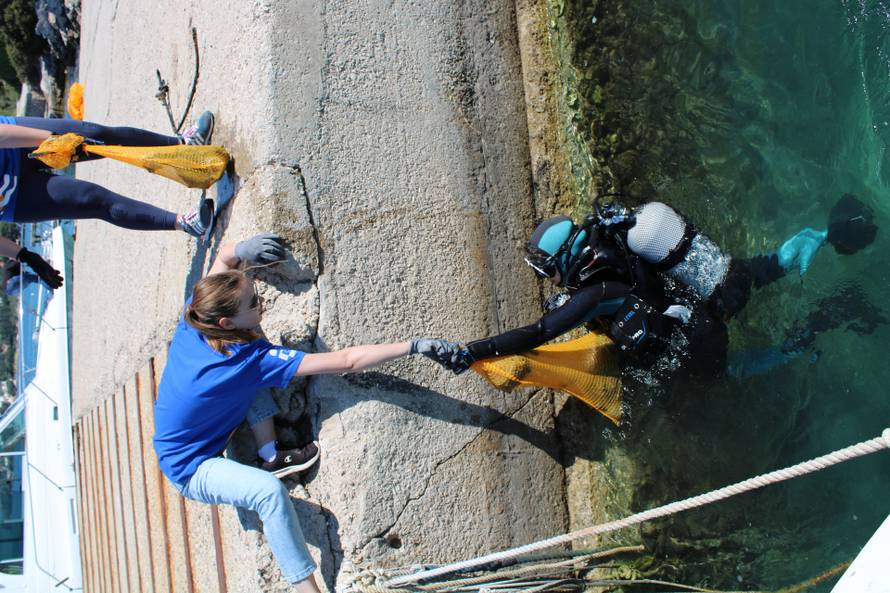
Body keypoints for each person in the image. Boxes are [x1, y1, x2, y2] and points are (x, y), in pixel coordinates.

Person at [152, 232, 451, 591]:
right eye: (254, 302)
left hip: (194, 423)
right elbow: (346, 360)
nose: (261, 304)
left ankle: (270, 455)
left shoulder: (195, 315)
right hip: (190, 468)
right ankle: (304, 587)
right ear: (226, 324)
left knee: (251, 374)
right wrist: (413, 345)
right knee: (267, 493)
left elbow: (224, 261)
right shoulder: (248, 360)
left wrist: (241, 250)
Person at [429, 194, 878, 380]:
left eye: (545, 268)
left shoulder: (596, 294)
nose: (543, 277)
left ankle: (815, 328)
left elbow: (539, 332)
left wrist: (473, 351)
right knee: (763, 270)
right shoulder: (608, 230)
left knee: (726, 375)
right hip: (724, 275)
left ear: (567, 259)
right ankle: (825, 235)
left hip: (710, 321)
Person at [0, 113, 217, 288]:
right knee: (94, 200)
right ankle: (186, 223)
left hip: (14, 142)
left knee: (98, 135)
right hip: (14, 198)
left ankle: (183, 143)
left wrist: (51, 139)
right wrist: (24, 255)